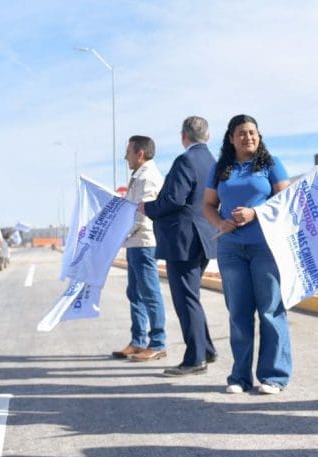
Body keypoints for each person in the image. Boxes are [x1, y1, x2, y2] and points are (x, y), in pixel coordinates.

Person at [203, 114, 291, 394]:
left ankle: (273, 376)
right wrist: (220, 223)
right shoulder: (221, 168)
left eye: (253, 132)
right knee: (238, 313)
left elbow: (286, 202)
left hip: (266, 247)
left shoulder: (271, 165)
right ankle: (239, 377)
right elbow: (207, 205)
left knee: (270, 310)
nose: (248, 137)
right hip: (231, 250)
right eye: (241, 133)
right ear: (231, 138)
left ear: (259, 136)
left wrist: (256, 213)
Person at [143, 116, 218, 376]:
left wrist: (148, 207)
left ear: (184, 136)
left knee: (186, 299)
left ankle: (195, 359)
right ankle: (206, 348)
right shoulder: (213, 162)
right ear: (207, 136)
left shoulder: (185, 160)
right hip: (204, 237)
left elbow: (174, 198)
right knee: (191, 297)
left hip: (184, 240)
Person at [112, 136, 167, 362]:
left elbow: (144, 213)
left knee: (150, 293)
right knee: (135, 293)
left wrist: (120, 234)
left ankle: (157, 343)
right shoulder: (139, 176)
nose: (126, 157)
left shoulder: (149, 177)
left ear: (140, 154)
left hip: (144, 242)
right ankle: (137, 341)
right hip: (134, 243)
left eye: (129, 152)